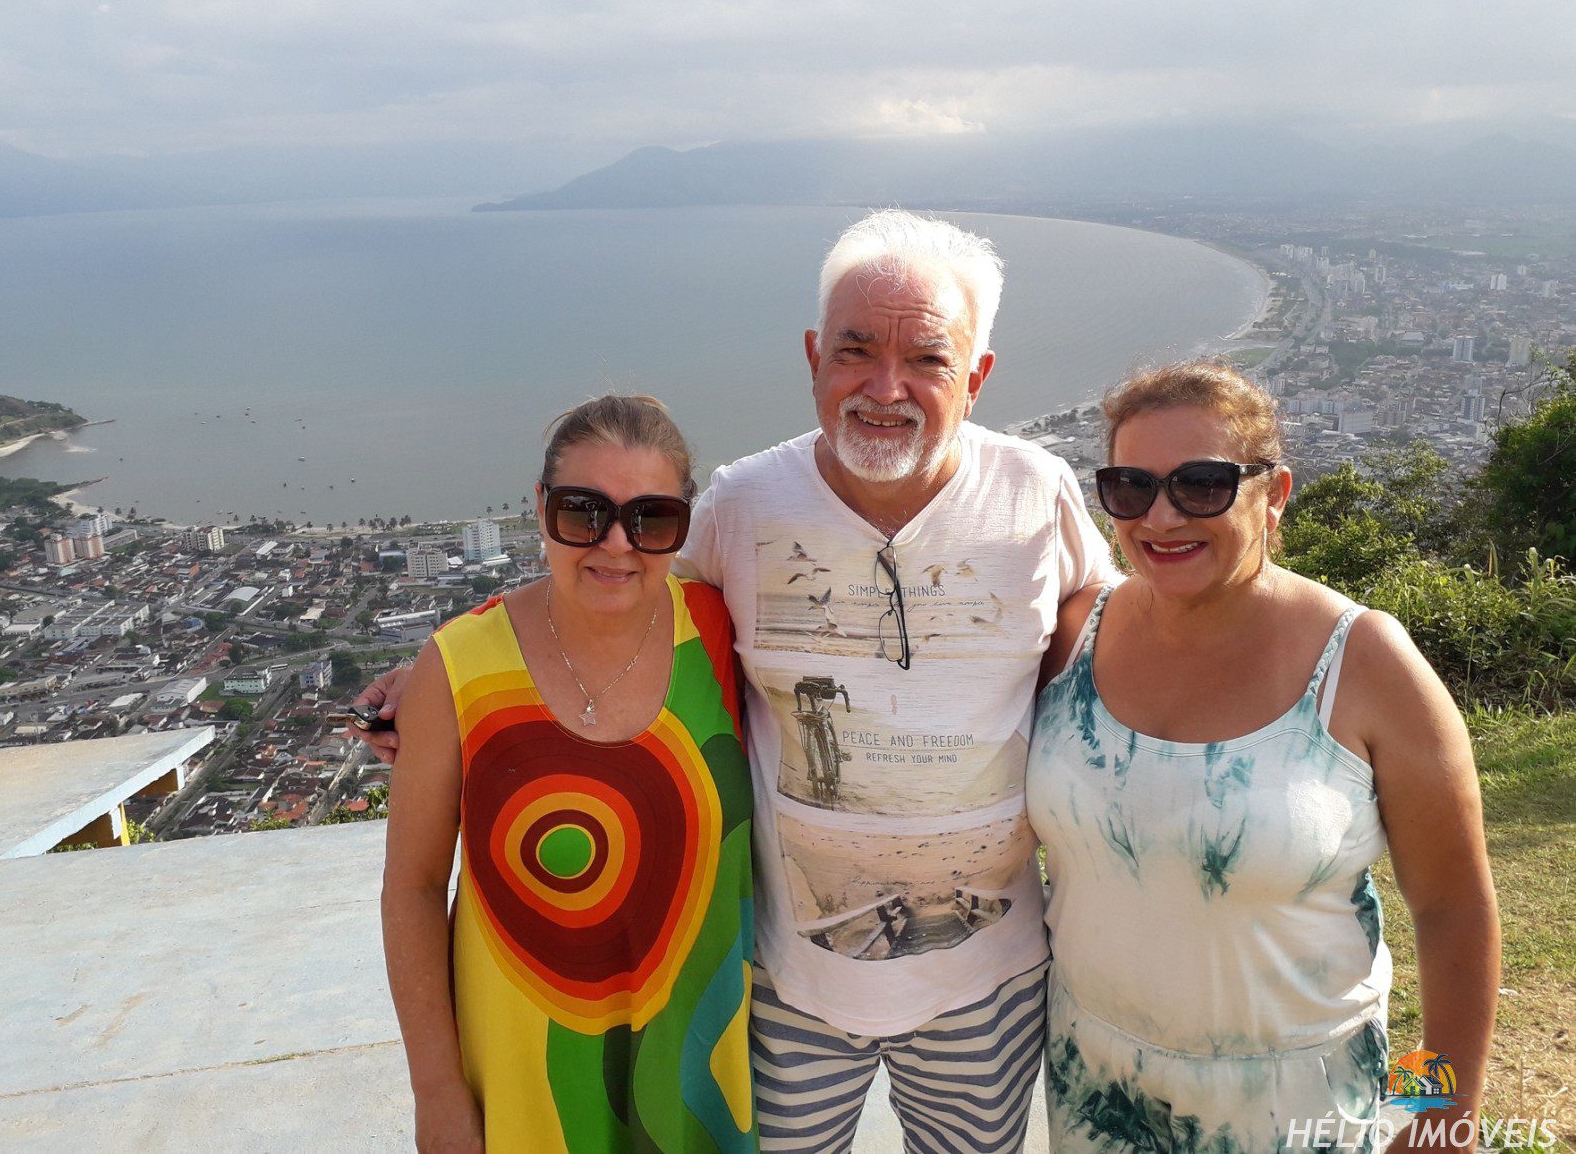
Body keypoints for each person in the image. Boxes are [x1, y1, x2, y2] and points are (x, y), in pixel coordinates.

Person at [357, 210, 1115, 1152]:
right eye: (855, 349)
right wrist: (446, 670)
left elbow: (1115, 628)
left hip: (986, 985)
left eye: (927, 358)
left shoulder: (1037, 493)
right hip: (788, 984)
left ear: (978, 374)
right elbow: (619, 585)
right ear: (813, 357)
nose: (885, 387)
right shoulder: (742, 502)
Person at [1029, 361, 1499, 1153]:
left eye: (1202, 484)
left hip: (1299, 1101)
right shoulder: (1078, 631)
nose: (1162, 516)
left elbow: (1452, 911)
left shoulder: (1365, 663)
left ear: (1274, 494)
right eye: (1130, 487)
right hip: (1095, 1083)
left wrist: (1441, 1114)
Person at [380, 394, 755, 1154]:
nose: (616, 544)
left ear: (683, 524)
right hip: (523, 1079)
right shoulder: (459, 667)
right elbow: (413, 888)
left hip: (697, 1069)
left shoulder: (722, 630)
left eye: (651, 519)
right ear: (540, 507)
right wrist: (437, 1093)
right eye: (584, 512)